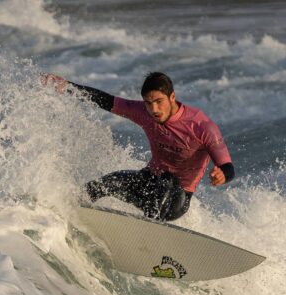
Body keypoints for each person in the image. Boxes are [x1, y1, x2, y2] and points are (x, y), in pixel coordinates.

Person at [41, 72, 235, 221]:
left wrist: (222, 174)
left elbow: (228, 166)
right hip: (148, 184)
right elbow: (105, 100)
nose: (154, 110)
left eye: (159, 102)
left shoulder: (201, 127)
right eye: (149, 103)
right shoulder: (143, 112)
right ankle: (64, 215)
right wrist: (67, 86)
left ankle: (148, 231)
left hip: (176, 199)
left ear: (172, 97)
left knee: (167, 180)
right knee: (104, 184)